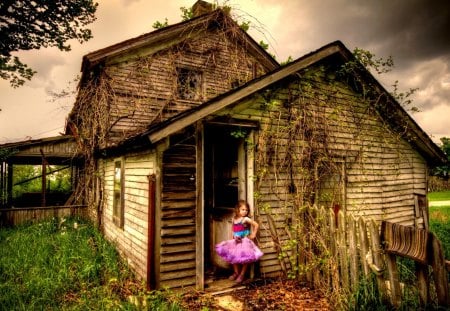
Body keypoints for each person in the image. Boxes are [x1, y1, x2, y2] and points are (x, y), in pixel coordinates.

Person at [215, 200, 263, 283]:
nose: (245, 211)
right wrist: (232, 238)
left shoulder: (246, 219)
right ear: (238, 210)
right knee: (232, 256)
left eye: (246, 210)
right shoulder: (234, 218)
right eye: (243, 209)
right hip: (236, 241)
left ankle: (242, 274)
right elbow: (233, 229)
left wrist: (253, 234)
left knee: (245, 258)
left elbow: (256, 224)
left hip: (245, 241)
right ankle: (236, 273)